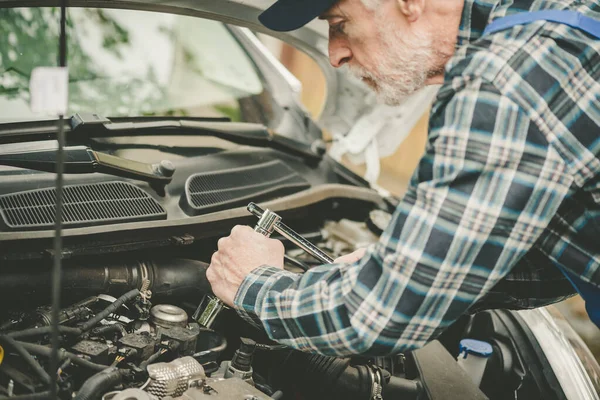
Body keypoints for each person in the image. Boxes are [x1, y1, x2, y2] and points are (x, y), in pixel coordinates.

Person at [206, 0, 600, 356]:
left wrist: (254, 285)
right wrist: (426, 271)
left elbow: (377, 315)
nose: (334, 54)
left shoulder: (507, 79)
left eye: (340, 24)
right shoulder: (561, 27)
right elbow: (571, 250)